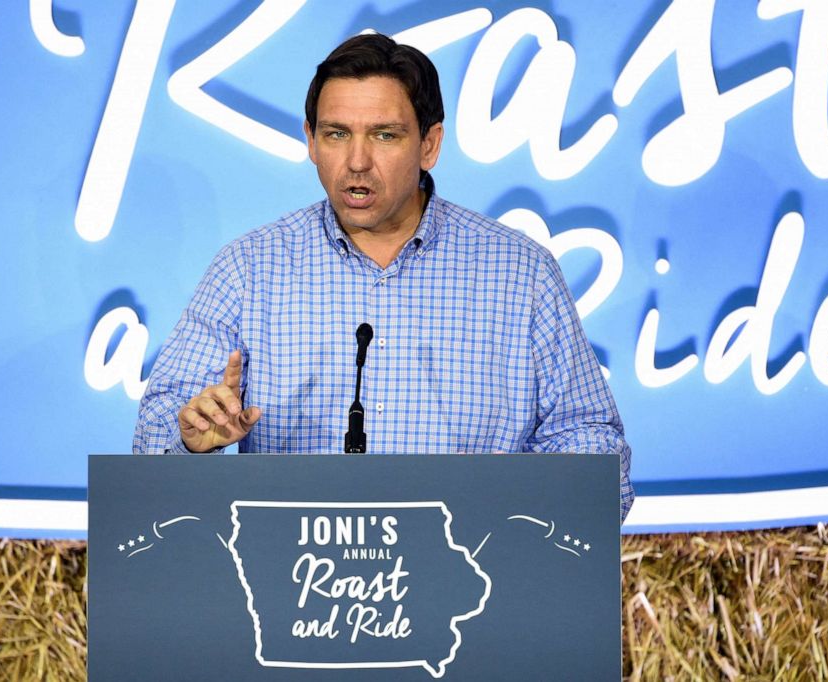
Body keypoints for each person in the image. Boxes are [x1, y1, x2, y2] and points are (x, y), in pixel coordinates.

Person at [134, 33, 634, 521]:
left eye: (384, 135)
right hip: (293, 586)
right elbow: (155, 434)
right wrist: (190, 442)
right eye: (336, 134)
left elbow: (594, 448)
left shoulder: (521, 275)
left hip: (471, 582)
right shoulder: (249, 269)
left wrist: (511, 510)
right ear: (310, 141)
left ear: (430, 144)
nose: (356, 161)